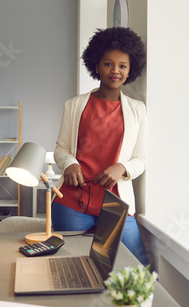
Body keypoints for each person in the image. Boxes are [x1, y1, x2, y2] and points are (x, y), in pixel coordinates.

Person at [52, 27, 148, 265]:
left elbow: (142, 159)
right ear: (96, 65)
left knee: (136, 265)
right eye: (108, 64)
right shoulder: (74, 105)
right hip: (72, 203)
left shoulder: (137, 110)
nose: (115, 71)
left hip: (116, 204)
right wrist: (70, 164)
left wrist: (122, 168)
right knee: (73, 266)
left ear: (130, 69)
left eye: (122, 66)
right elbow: (61, 149)